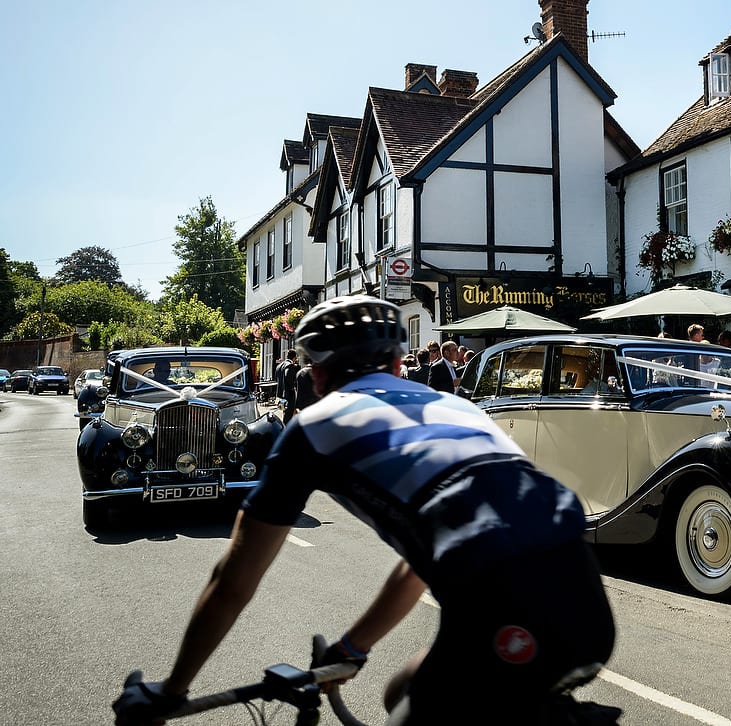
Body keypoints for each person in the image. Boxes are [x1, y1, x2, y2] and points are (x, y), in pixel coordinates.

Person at [112, 295, 616, 726]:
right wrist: (353, 648)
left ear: (317, 373)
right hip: (588, 604)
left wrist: (169, 693)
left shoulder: (313, 427)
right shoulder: (461, 410)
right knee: (402, 689)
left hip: (497, 609)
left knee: (415, 703)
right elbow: (423, 557)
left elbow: (234, 579)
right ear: (399, 365)